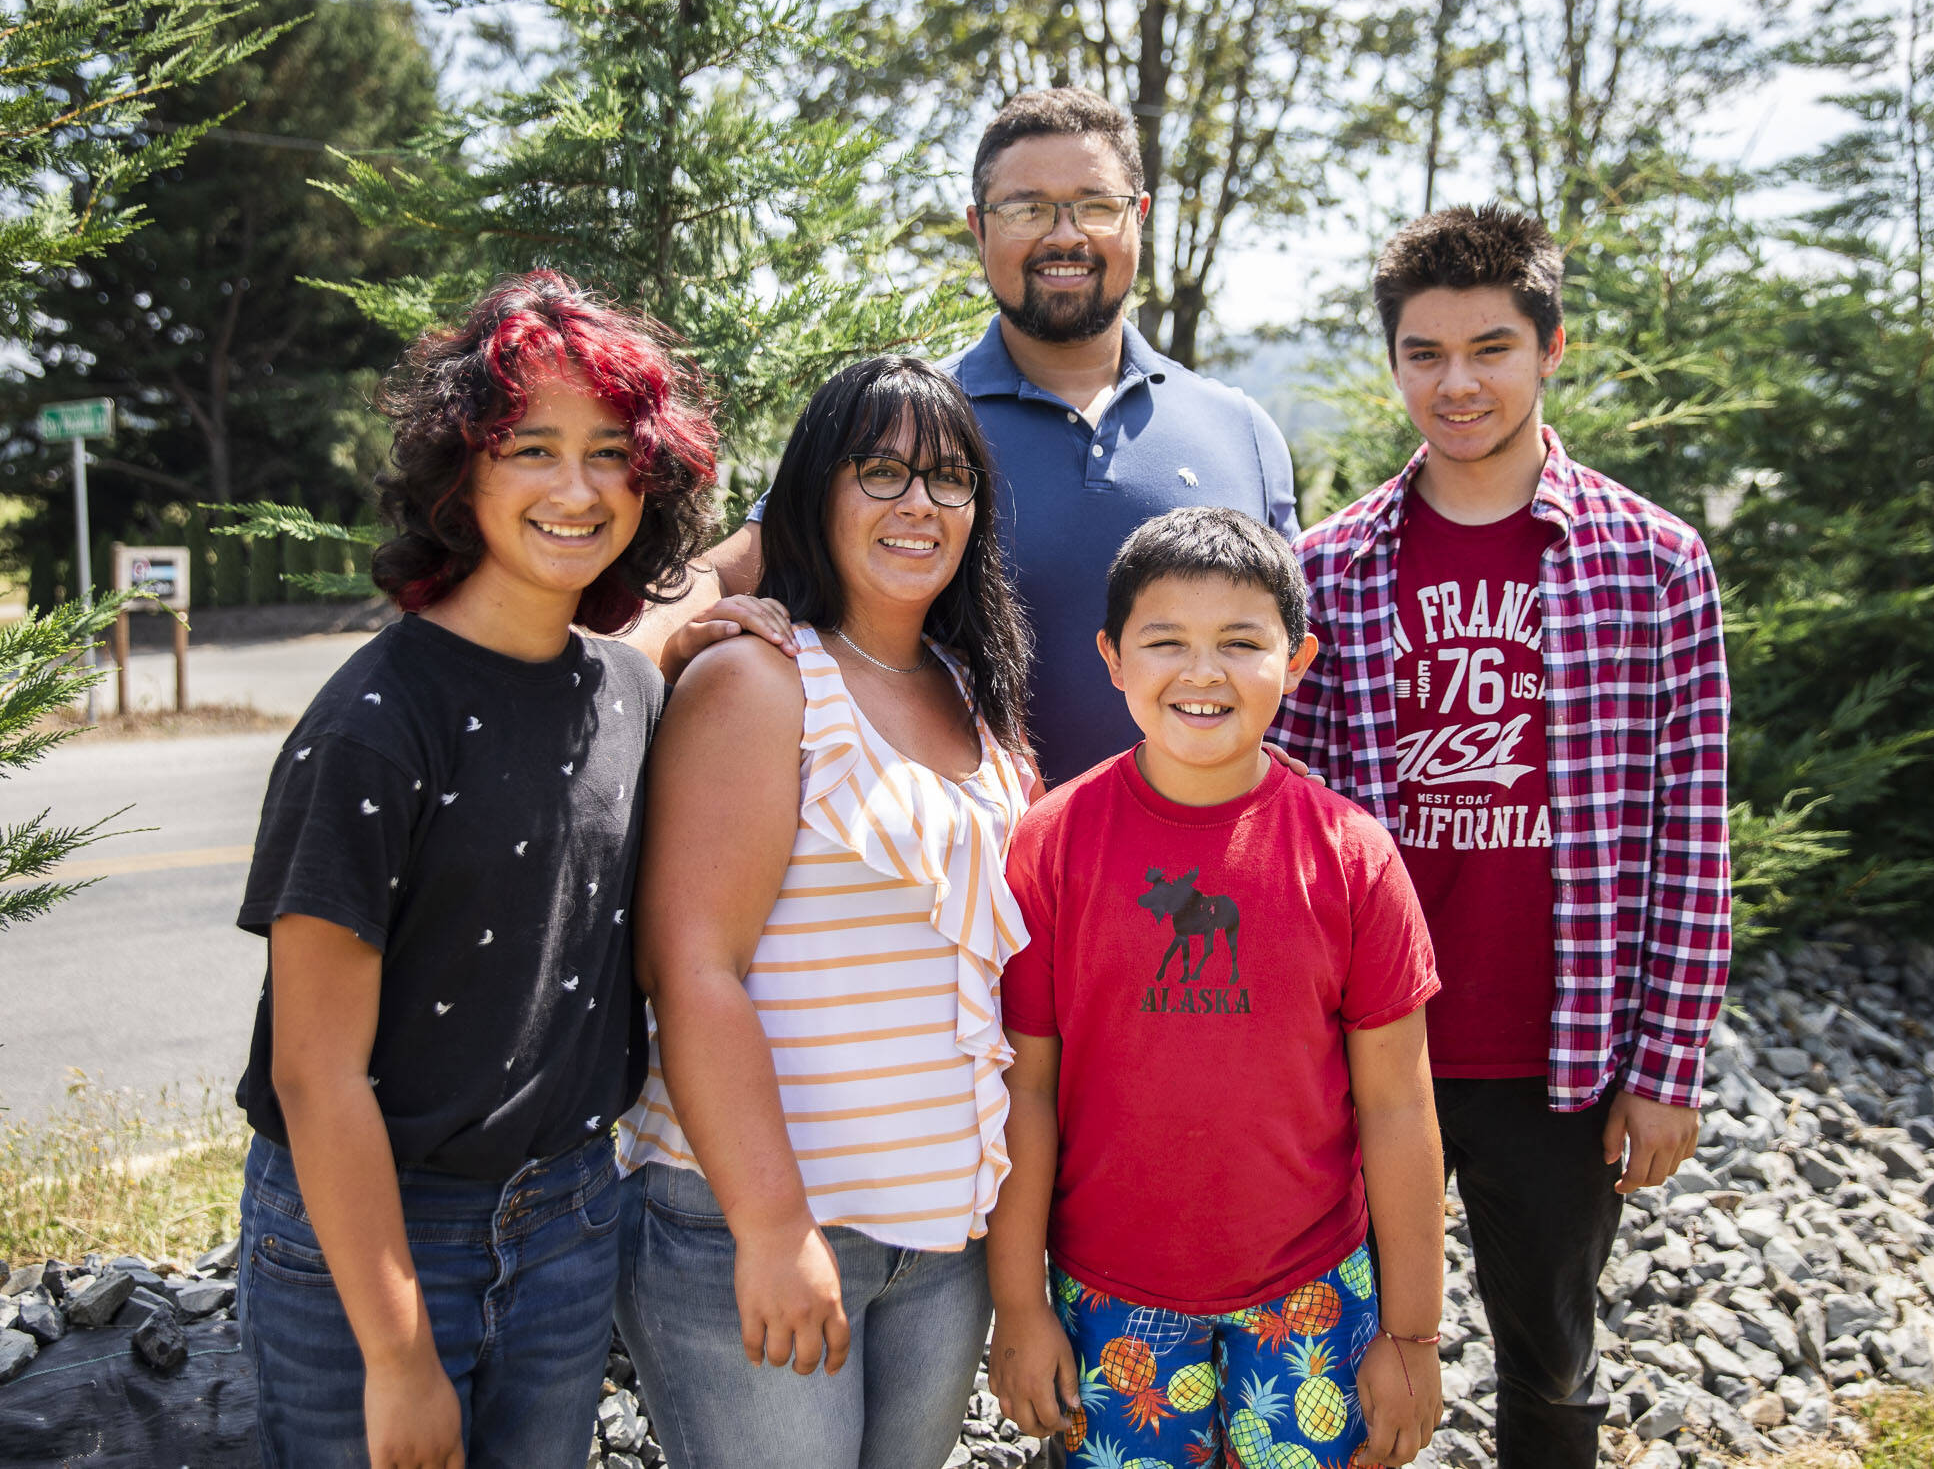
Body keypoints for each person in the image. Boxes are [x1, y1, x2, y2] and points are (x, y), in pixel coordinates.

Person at [1272, 203, 1734, 1469]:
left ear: (1550, 348)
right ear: (1393, 364)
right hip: (1368, 1050)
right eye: (1423, 352)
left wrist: (1667, 1061)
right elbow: (1291, 832)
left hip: (1563, 1051)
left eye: (1489, 347)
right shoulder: (1332, 569)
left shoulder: (1654, 563)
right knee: (1341, 1349)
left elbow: (1688, 826)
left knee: (1550, 1353)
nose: (1456, 381)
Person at [232, 270, 719, 1467]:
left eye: (610, 452)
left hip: (566, 1216)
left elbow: (659, 623)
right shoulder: (372, 725)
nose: (574, 487)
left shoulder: (625, 689)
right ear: (463, 471)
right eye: (529, 448)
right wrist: (397, 1356)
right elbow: (314, 1074)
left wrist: (730, 612)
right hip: (373, 1232)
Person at [612, 356, 1039, 1469]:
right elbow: (691, 965)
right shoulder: (760, 681)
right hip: (759, 1224)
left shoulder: (973, 693)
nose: (918, 504)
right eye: (881, 471)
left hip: (938, 1247)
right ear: (811, 493)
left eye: (948, 479)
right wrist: (770, 1223)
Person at [627, 87, 1298, 786]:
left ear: (1140, 218)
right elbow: (721, 572)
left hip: (1197, 888)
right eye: (1027, 208)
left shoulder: (1242, 431)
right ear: (979, 228)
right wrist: (621, 669)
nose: (1064, 235)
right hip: (972, 874)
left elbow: (1292, 663)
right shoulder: (907, 423)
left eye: (1095, 206)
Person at [987, 507, 1447, 1468]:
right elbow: (1025, 1086)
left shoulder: (1353, 857)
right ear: (1113, 658)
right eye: (1167, 643)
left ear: (1299, 658)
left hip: (1310, 1295)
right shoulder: (1053, 843)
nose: (1203, 673)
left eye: (1241, 642)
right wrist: (1020, 1304)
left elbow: (1399, 1107)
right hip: (1109, 1295)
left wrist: (1412, 1337)